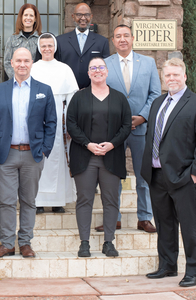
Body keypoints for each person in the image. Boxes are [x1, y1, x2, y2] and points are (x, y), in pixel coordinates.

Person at [142, 58, 196, 287]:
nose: (171, 78)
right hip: (157, 174)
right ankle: (167, 266)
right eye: (168, 75)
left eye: (175, 74)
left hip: (184, 176)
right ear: (163, 78)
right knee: (164, 223)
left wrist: (195, 173)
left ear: (184, 76)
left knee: (190, 224)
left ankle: (193, 271)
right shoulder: (157, 103)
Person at [0, 48, 57, 258]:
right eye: (18, 61)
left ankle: (25, 242)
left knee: (28, 201)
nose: (22, 64)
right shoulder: (0, 90)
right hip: (7, 154)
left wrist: (45, 149)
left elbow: (51, 122)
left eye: (26, 60)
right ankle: (7, 243)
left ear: (32, 63)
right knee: (6, 200)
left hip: (33, 154)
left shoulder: (44, 90)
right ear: (11, 63)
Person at [95, 24, 161, 233]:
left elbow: (155, 94)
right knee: (113, 176)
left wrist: (141, 117)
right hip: (114, 132)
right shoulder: (105, 64)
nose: (122, 39)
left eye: (126, 35)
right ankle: (114, 218)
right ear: (113, 41)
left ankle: (145, 217)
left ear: (132, 38)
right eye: (117, 36)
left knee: (144, 176)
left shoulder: (148, 63)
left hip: (141, 129)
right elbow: (100, 93)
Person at [66, 57, 131, 258]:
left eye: (100, 67)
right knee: (84, 199)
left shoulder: (119, 98)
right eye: (93, 68)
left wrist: (111, 144)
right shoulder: (79, 97)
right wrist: (88, 144)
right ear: (88, 73)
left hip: (111, 157)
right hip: (85, 157)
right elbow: (71, 124)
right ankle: (84, 243)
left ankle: (108, 242)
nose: (97, 71)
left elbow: (126, 126)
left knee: (110, 200)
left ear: (107, 71)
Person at [31, 33, 78, 214]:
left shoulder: (64, 69)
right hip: (37, 118)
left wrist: (69, 125)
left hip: (60, 118)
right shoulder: (33, 68)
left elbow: (72, 99)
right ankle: (38, 201)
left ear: (55, 47)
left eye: (50, 45)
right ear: (39, 47)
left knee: (59, 157)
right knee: (39, 158)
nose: (47, 49)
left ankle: (59, 201)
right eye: (43, 46)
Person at [54, 3, 110, 89]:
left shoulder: (102, 42)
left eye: (86, 15)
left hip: (93, 93)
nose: (83, 18)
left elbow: (105, 70)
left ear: (91, 16)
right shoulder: (60, 41)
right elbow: (56, 69)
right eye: (79, 15)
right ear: (73, 16)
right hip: (67, 92)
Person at [4, 3, 42, 80]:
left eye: (31, 15)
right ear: (21, 17)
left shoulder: (40, 40)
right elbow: (7, 62)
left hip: (36, 81)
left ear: (35, 19)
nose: (28, 18)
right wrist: (17, 78)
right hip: (16, 83)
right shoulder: (12, 39)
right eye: (25, 15)